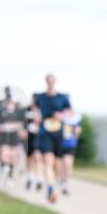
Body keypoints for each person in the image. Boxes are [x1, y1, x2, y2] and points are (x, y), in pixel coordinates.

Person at [33, 74, 73, 203]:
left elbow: (70, 111)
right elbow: (34, 109)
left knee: (57, 163)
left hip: (58, 132)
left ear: (55, 82)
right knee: (48, 161)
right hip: (45, 132)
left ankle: (55, 183)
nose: (50, 82)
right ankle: (51, 188)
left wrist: (62, 115)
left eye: (52, 80)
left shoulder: (62, 97)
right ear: (46, 82)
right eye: (48, 80)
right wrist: (37, 117)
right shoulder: (40, 97)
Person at [0, 88, 26, 185]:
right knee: (3, 153)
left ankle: (10, 175)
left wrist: (15, 126)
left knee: (12, 155)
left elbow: (21, 123)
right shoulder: (0, 110)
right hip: (3, 135)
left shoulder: (18, 111)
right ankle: (3, 167)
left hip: (14, 135)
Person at [59, 109, 82, 195]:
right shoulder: (60, 118)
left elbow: (78, 132)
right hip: (60, 144)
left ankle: (66, 184)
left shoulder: (76, 120)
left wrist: (75, 130)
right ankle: (62, 180)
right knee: (60, 166)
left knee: (68, 164)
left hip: (70, 145)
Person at [24, 100, 43, 191]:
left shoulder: (42, 110)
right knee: (29, 159)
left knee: (38, 158)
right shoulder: (27, 110)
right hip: (29, 138)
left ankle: (39, 179)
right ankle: (29, 177)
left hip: (39, 138)